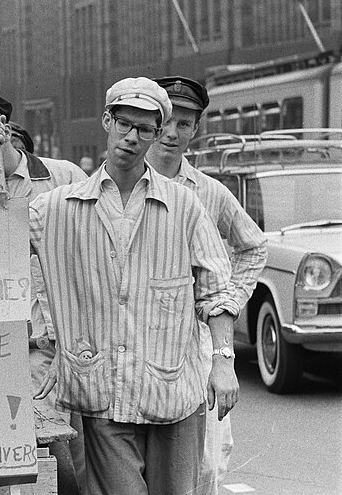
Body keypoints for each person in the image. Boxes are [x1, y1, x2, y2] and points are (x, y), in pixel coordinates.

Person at [32, 77, 240, 494]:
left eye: (145, 129)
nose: (132, 137)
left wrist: (223, 361)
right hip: (103, 395)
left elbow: (216, 290)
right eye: (124, 124)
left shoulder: (183, 205)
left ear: (156, 133)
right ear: (107, 121)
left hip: (174, 395)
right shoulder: (58, 207)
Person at [0, 95, 88, 493]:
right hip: (18, 348)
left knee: (90, 452)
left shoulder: (63, 176)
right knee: (48, 457)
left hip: (77, 339)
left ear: (3, 127)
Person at [148, 76, 267, 495]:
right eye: (166, 121)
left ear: (196, 129)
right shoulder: (121, 183)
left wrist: (229, 301)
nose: (172, 133)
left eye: (185, 123)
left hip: (196, 342)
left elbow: (253, 247)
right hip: (134, 340)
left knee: (207, 465)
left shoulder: (210, 193)